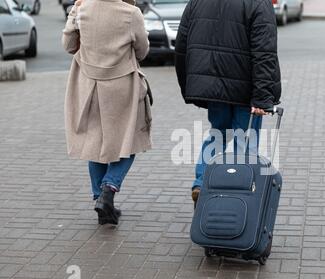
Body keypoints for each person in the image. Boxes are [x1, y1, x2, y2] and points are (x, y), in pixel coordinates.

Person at [175, 0, 282, 208]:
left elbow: (182, 45)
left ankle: (201, 183)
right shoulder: (258, 3)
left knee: (218, 133)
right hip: (246, 90)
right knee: (245, 141)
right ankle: (235, 193)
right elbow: (264, 52)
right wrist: (262, 97)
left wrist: (189, 84)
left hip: (213, 87)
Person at [62, 0, 151, 225]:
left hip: (88, 84)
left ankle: (99, 198)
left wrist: (75, 12)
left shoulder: (81, 9)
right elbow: (142, 51)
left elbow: (69, 45)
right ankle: (108, 190)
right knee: (129, 140)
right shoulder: (132, 13)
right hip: (122, 87)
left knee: (95, 142)